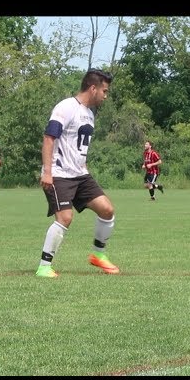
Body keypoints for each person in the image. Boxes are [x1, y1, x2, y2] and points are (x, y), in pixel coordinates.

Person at [35, 68, 119, 278]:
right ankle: (44, 267)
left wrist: (84, 166)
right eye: (104, 91)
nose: (105, 96)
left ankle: (98, 255)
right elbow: (49, 138)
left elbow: (77, 145)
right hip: (59, 173)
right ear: (93, 88)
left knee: (107, 210)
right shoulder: (66, 107)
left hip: (80, 174)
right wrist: (47, 172)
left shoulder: (89, 113)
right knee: (65, 217)